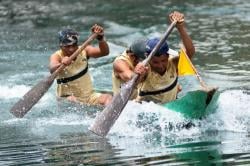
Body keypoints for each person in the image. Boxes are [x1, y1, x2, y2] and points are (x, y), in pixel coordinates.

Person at [136, 11, 195, 104]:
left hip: (171, 106)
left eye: (163, 61)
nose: (160, 65)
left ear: (167, 56)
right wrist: (137, 73)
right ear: (148, 59)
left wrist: (180, 27)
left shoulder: (173, 63)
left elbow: (190, 52)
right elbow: (134, 81)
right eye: (155, 62)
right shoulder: (145, 69)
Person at [49, 24, 112, 106]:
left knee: (108, 98)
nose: (71, 49)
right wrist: (61, 64)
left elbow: (104, 52)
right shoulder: (57, 56)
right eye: (67, 46)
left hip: (88, 96)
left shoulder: (84, 50)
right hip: (67, 98)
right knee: (73, 101)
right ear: (61, 46)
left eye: (74, 45)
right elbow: (51, 68)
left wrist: (101, 39)